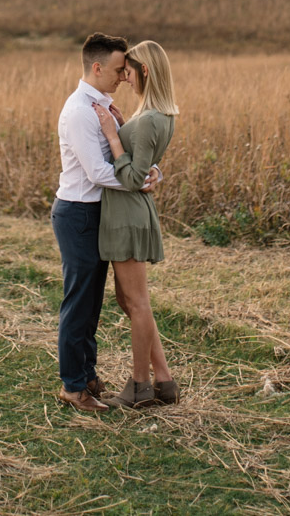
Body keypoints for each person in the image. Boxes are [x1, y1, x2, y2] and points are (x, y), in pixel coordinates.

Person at [52, 32, 161, 413]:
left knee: (93, 302)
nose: (122, 76)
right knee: (79, 301)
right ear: (96, 68)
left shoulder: (105, 106)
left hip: (101, 212)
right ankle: (73, 386)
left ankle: (88, 375)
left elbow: (127, 156)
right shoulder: (80, 111)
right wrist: (137, 183)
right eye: (117, 69)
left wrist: (150, 174)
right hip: (79, 212)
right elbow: (98, 171)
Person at [93, 40, 179, 408]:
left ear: (144, 70)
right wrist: (125, 126)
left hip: (128, 214)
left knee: (137, 302)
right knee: (129, 301)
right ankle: (164, 380)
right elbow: (144, 162)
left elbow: (130, 177)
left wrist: (113, 135)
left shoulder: (148, 121)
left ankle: (140, 387)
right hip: (129, 213)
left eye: (128, 71)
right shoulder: (158, 115)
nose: (124, 78)